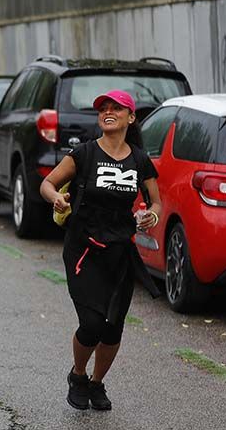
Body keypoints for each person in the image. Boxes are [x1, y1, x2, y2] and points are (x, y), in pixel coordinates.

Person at [40, 90, 160, 412]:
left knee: (113, 327)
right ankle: (78, 375)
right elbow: (47, 184)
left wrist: (152, 215)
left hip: (120, 254)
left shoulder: (139, 159)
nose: (108, 112)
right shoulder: (84, 153)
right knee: (92, 324)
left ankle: (96, 382)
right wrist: (57, 198)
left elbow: (156, 202)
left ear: (130, 117)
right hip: (84, 250)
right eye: (103, 108)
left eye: (116, 108)